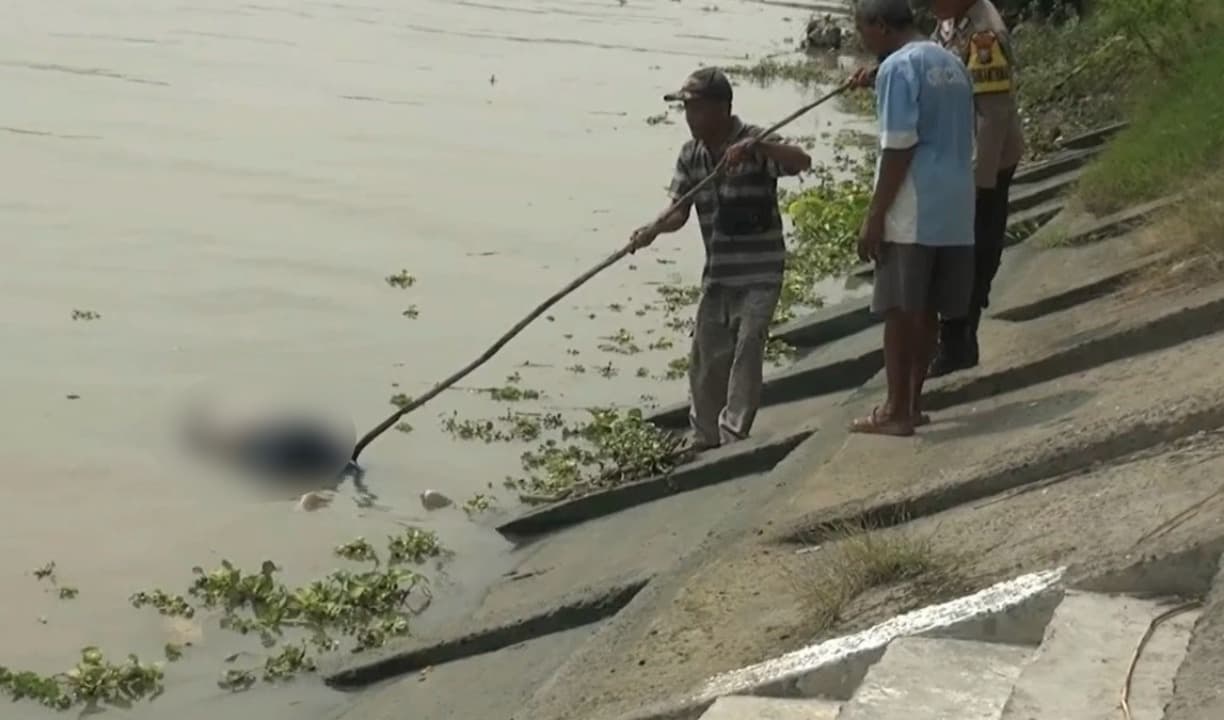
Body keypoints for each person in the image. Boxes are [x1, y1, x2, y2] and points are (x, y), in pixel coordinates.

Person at [629, 67, 812, 451]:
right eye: (686, 110)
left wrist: (758, 148)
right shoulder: (691, 156)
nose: (689, 118)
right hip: (719, 274)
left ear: (721, 109)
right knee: (707, 358)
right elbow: (678, 211)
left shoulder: (753, 141)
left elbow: (800, 161)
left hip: (761, 273)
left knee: (747, 349)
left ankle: (734, 435)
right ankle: (704, 435)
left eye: (695, 109)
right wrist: (651, 230)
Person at [848, 0, 977, 436]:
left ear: (880, 25)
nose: (861, 40)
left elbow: (899, 146)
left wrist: (875, 215)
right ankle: (913, 403)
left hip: (914, 205)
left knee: (901, 311)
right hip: (956, 204)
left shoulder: (897, 68)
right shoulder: (951, 60)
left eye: (862, 29)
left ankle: (895, 409)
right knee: (929, 311)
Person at [926, 0, 1025, 375]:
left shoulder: (985, 34)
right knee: (960, 251)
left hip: (987, 162)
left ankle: (959, 341)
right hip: (962, 157)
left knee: (975, 250)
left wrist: (977, 183)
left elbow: (993, 116)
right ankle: (956, 338)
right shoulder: (953, 22)